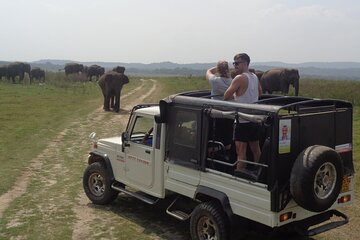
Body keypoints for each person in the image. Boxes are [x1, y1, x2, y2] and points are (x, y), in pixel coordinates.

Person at [224, 53, 262, 173]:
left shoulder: (239, 78)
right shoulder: (254, 77)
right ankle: (259, 172)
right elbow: (260, 93)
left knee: (241, 151)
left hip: (242, 120)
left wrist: (236, 97)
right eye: (234, 62)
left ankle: (240, 174)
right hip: (253, 118)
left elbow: (226, 96)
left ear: (245, 63)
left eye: (237, 63)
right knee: (256, 149)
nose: (235, 65)